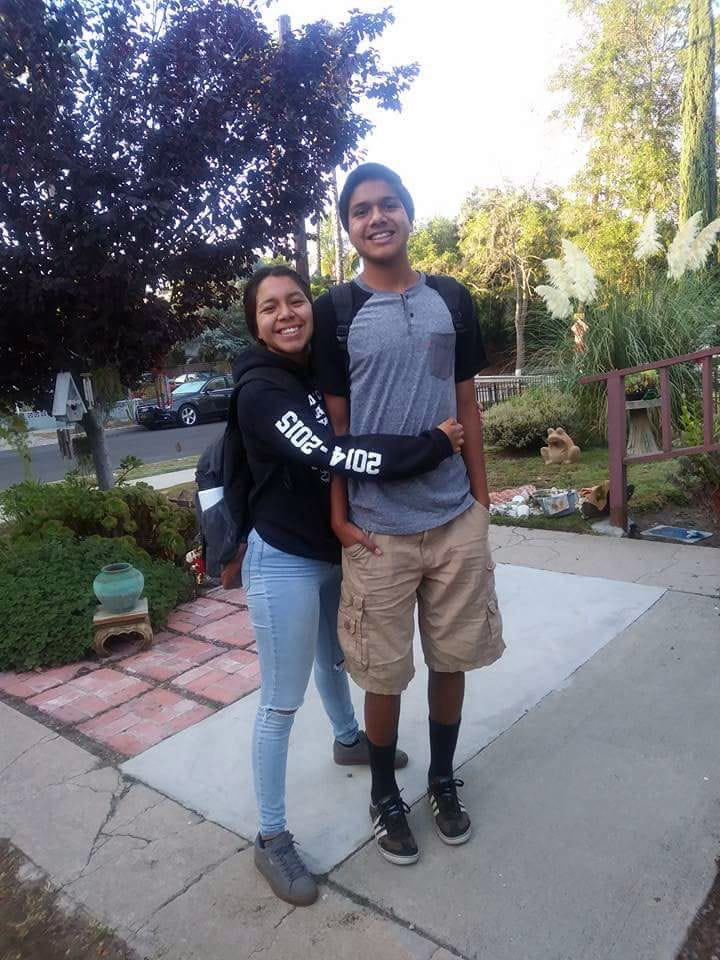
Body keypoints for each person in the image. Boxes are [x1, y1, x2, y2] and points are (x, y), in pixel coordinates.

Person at [233, 264, 465, 907]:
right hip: (283, 558)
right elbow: (335, 454)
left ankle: (346, 741)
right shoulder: (262, 390)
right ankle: (271, 836)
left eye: (295, 300)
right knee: (280, 700)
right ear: (256, 325)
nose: (286, 313)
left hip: (333, 548)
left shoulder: (310, 369)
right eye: (270, 307)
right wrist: (430, 446)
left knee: (335, 658)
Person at [311, 163, 505, 867]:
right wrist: (340, 517)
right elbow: (336, 431)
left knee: (453, 659)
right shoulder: (336, 312)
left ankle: (441, 779)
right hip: (377, 531)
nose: (377, 217)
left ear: (409, 215)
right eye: (361, 210)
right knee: (383, 673)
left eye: (388, 204)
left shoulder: (450, 299)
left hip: (454, 521)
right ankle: (384, 794)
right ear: (349, 228)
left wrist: (481, 502)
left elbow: (466, 404)